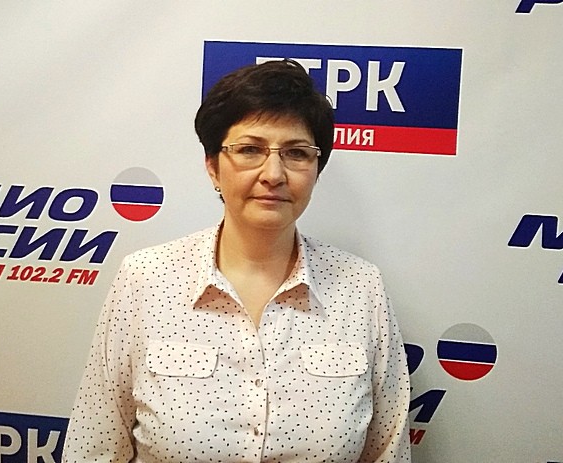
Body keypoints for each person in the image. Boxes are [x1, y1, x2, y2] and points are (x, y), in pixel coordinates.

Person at [62, 59, 411, 462]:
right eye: (249, 150)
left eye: (296, 153)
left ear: (316, 169)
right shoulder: (146, 279)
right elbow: (95, 447)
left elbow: (388, 452)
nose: (274, 173)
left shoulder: (361, 287)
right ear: (213, 167)